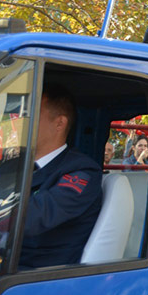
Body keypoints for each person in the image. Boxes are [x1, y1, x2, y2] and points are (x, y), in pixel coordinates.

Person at [22, 85, 102, 267]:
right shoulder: (16, 166)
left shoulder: (82, 171)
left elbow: (35, 216)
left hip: (37, 277)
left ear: (59, 123)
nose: (22, 121)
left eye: (31, 114)